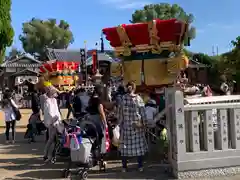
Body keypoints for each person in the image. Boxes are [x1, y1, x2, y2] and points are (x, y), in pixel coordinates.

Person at [116, 81, 148, 172]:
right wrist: (144, 124)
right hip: (137, 126)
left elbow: (119, 114)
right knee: (139, 147)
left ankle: (124, 167)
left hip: (126, 127)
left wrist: (119, 124)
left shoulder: (122, 99)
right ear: (134, 88)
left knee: (124, 148)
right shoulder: (139, 99)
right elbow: (143, 113)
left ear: (127, 88)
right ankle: (140, 166)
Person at [43, 86, 63, 162]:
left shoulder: (54, 100)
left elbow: (57, 111)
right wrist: (53, 120)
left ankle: (50, 155)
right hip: (52, 122)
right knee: (51, 139)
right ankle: (47, 155)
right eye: (54, 92)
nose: (56, 93)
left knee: (55, 140)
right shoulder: (47, 101)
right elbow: (49, 113)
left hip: (57, 121)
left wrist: (59, 119)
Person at [87, 85, 107, 154]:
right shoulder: (98, 100)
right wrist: (105, 123)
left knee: (93, 136)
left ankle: (93, 151)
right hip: (97, 119)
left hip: (90, 119)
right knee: (100, 136)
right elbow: (101, 112)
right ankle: (100, 153)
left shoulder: (91, 98)